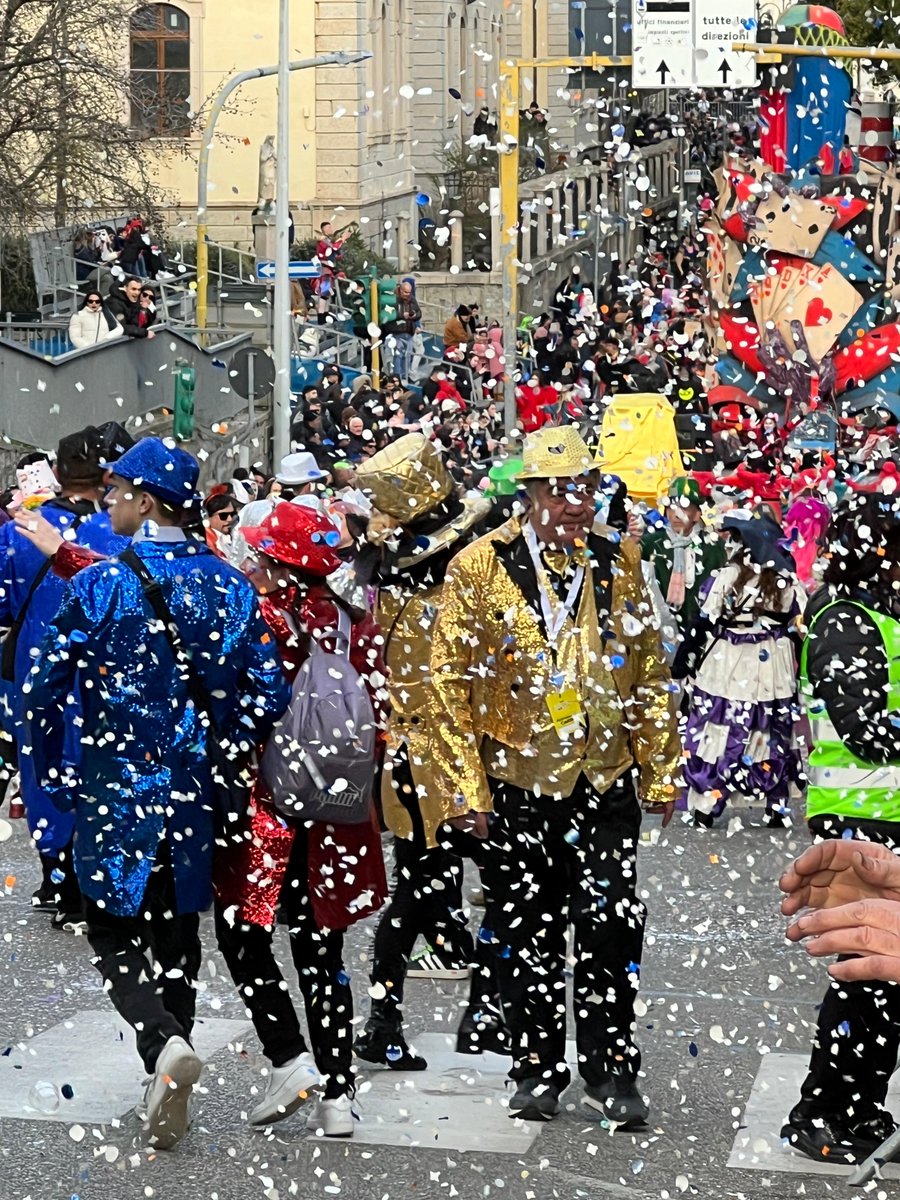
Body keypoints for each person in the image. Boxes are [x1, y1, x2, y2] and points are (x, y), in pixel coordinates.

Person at [23, 437, 288, 1151]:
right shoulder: (231, 584)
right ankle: (166, 1071)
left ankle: (159, 1045)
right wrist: (218, 743)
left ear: (144, 500)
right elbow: (271, 691)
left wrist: (56, 772)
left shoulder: (104, 583)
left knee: (111, 928)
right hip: (198, 791)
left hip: (118, 783)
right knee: (178, 934)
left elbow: (40, 685)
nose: (105, 503)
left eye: (114, 492)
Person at [427, 424, 681, 1124]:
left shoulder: (617, 556)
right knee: (527, 927)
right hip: (520, 781)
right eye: (563, 490)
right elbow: (447, 684)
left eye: (587, 489)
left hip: (603, 780)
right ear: (532, 493)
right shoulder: (480, 564)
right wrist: (465, 788)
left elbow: (649, 669)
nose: (577, 503)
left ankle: (612, 1069)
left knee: (611, 926)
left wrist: (661, 766)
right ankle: (537, 1067)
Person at [213, 501, 388, 1137]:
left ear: (276, 562)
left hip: (270, 809)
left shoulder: (255, 620)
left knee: (242, 932)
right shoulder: (353, 622)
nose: (249, 562)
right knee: (323, 951)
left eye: (257, 553)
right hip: (336, 810)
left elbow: (238, 706)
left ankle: (288, 1056)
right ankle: (338, 1095)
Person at [353, 435, 500, 1067]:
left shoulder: (387, 596)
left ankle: (383, 1019)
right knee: (504, 884)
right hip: (472, 764)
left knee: (415, 893)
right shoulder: (464, 603)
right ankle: (485, 1011)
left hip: (408, 765)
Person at [780, 493, 900, 1164]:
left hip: (884, 820)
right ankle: (821, 1113)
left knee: (884, 979)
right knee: (867, 977)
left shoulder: (877, 615)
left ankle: (859, 1110)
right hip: (861, 823)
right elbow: (865, 730)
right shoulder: (847, 620)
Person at [0, 424, 134, 926]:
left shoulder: (19, 529)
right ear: (106, 476)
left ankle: (55, 877)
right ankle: (95, 873)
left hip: (37, 670)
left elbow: (4, 602)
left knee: (41, 770)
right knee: (102, 768)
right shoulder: (114, 534)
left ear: (57, 473)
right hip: (102, 673)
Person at [675, 511, 805, 827]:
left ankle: (706, 806)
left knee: (719, 725)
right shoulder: (786, 579)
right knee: (770, 726)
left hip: (730, 660)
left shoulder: (729, 576)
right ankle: (777, 806)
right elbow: (799, 622)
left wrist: (683, 660)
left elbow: (705, 621)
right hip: (774, 660)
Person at [640, 477, 726, 635]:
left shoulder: (713, 546)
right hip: (658, 628)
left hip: (702, 630)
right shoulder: (651, 543)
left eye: (684, 508)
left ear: (697, 514)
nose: (677, 515)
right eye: (672, 508)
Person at [383, 280, 421, 383]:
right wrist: (400, 316)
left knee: (407, 355)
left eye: (409, 292)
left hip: (409, 332)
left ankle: (405, 376)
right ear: (400, 290)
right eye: (405, 292)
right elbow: (387, 316)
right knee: (398, 355)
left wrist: (414, 315)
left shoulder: (411, 299)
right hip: (396, 332)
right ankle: (397, 376)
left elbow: (419, 312)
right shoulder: (392, 300)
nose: (407, 295)